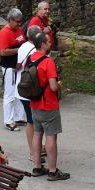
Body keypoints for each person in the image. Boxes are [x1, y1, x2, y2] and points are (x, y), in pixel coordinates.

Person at [29, 30, 69, 181]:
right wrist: (59, 85)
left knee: (37, 134)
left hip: (34, 103)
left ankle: (37, 167)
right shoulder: (48, 62)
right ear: (43, 44)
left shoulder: (31, 59)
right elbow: (52, 87)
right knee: (51, 137)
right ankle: (53, 171)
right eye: (48, 42)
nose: (50, 43)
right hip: (48, 105)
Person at [0, 8, 27, 131]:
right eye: (17, 21)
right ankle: (8, 121)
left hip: (19, 66)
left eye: (20, 21)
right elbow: (3, 52)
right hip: (9, 68)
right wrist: (19, 50)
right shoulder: (4, 33)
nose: (19, 24)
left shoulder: (19, 29)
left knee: (19, 93)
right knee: (9, 94)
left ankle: (18, 117)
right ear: (10, 20)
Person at [18, 26, 43, 162]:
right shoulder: (34, 50)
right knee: (31, 122)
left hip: (22, 89)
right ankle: (32, 152)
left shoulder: (23, 46)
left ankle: (36, 148)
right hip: (29, 91)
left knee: (32, 121)